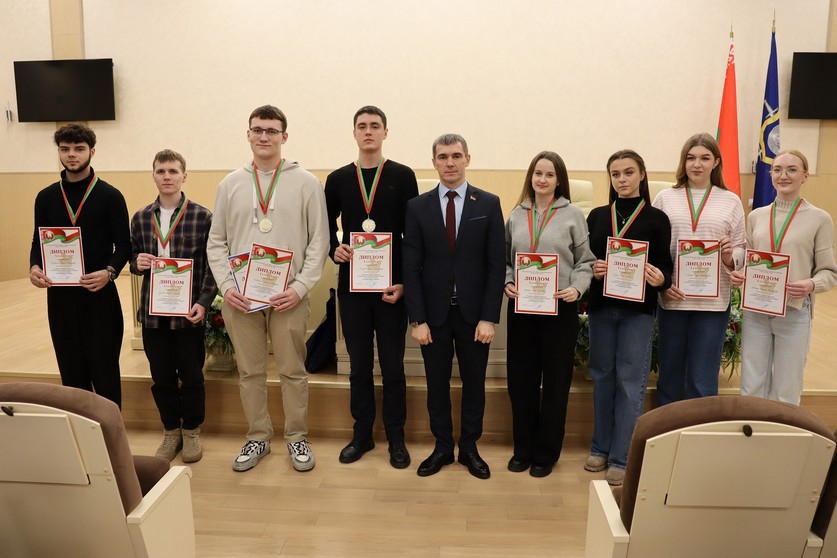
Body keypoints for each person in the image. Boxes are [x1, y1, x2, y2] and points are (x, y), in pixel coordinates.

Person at [207, 105, 329, 472]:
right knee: (250, 373)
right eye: (258, 130)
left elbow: (319, 242)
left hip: (288, 296)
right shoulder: (230, 184)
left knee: (292, 370)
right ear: (248, 134)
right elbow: (216, 242)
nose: (264, 136)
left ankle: (297, 437)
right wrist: (227, 287)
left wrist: (301, 288)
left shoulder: (306, 183)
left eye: (272, 131)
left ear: (284, 137)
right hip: (241, 298)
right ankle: (258, 437)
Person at [403, 133, 504, 479]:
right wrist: (417, 319)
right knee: (437, 385)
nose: (450, 163)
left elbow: (495, 265)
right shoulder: (417, 207)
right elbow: (411, 268)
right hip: (434, 317)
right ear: (434, 162)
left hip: (475, 316)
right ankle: (443, 447)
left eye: (456, 156)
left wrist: (489, 317)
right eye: (443, 157)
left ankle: (470, 448)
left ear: (467, 159)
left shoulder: (488, 203)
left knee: (474, 384)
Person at [324, 106, 418, 469]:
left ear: (385, 132)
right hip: (353, 287)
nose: (368, 131)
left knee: (393, 367)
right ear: (354, 133)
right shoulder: (337, 179)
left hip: (391, 289)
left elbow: (413, 235)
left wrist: (405, 281)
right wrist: (334, 248)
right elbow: (323, 226)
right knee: (359, 367)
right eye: (362, 126)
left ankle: (396, 437)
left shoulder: (403, 176)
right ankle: (362, 434)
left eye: (374, 126)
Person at [503, 151, 595, 478]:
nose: (542, 179)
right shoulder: (516, 215)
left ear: (559, 180)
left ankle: (546, 453)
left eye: (549, 175)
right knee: (521, 382)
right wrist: (508, 281)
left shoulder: (573, 215)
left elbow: (586, 261)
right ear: (531, 177)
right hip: (522, 309)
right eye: (538, 173)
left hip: (560, 309)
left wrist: (577, 288)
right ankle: (523, 449)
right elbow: (506, 260)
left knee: (555, 383)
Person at [584, 150, 672, 485]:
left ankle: (622, 457)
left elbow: (666, 268)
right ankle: (600, 447)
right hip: (602, 309)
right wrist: (593, 269)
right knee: (603, 377)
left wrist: (660, 278)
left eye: (628, 172)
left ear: (642, 175)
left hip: (637, 312)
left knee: (630, 381)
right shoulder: (596, 216)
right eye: (616, 174)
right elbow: (584, 262)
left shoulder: (657, 219)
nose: (622, 179)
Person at [29, 123, 130, 407]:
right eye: (65, 149)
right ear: (59, 152)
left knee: (105, 374)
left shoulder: (110, 196)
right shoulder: (46, 197)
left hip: (99, 297)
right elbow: (38, 241)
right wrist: (34, 267)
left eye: (79, 149)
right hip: (60, 299)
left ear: (92, 152)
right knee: (72, 375)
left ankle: (112, 432)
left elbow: (124, 245)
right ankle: (80, 433)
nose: (71, 154)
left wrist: (109, 273)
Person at [130, 149, 216, 462]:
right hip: (154, 314)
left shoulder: (202, 216)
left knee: (192, 375)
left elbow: (212, 265)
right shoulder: (141, 217)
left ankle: (191, 431)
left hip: (188, 312)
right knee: (162, 376)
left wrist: (203, 302)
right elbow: (133, 259)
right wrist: (136, 263)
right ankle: (170, 431)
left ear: (184, 176)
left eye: (173, 171)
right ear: (153, 175)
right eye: (161, 171)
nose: (167, 177)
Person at [731, 150, 837, 404]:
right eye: (777, 170)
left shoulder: (819, 219)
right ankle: (753, 429)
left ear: (805, 176)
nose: (784, 175)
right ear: (770, 174)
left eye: (792, 170)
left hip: (794, 312)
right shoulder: (756, 216)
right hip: (756, 311)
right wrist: (742, 274)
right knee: (751, 387)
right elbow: (749, 259)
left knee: (786, 390)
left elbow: (830, 272)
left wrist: (811, 284)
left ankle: (783, 431)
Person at [652, 133, 745, 405]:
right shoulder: (665, 198)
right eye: (691, 158)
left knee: (702, 379)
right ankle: (668, 431)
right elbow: (654, 247)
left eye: (705, 158)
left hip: (712, 304)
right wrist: (663, 285)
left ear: (716, 162)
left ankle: (700, 431)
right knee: (669, 375)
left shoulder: (731, 200)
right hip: (673, 297)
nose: (697, 164)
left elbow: (742, 248)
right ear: (683, 161)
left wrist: (729, 256)